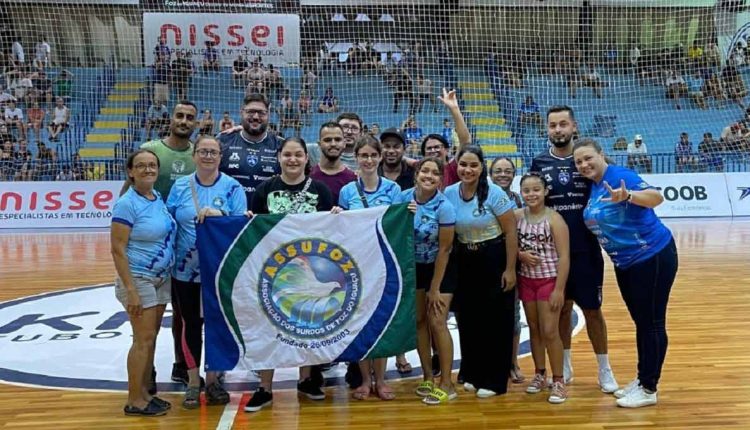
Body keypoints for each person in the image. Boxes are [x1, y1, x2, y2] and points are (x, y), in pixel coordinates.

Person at [572, 138, 678, 408]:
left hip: (651, 256)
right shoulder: (595, 185)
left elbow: (656, 197)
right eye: (579, 162)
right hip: (625, 263)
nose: (584, 164)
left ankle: (649, 388)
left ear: (601, 154)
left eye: (588, 158)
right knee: (642, 323)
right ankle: (643, 379)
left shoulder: (621, 176)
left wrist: (628, 196)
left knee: (652, 323)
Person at [244, 137, 339, 413]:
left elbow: (329, 234)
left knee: (306, 321)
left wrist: (336, 215)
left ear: (306, 159)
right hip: (271, 270)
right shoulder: (265, 190)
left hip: (307, 269)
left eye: (298, 155)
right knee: (267, 326)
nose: (293, 159)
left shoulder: (321, 190)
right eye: (287, 155)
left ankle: (306, 379)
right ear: (279, 157)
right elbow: (255, 232)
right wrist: (249, 219)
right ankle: (264, 387)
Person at [530, 106, 619, 394]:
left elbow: (612, 180)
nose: (558, 130)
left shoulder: (586, 160)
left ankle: (604, 370)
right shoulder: (539, 162)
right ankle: (565, 365)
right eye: (553, 125)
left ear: (574, 127)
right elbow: (533, 205)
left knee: (593, 311)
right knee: (562, 310)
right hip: (552, 255)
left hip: (586, 251)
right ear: (547, 129)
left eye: (563, 124)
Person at [166, 136, 247, 409]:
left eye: (213, 152)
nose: (208, 156)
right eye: (203, 151)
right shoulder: (179, 186)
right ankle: (192, 382)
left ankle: (213, 380)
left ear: (221, 156)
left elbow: (240, 227)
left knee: (217, 324)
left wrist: (219, 215)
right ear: (194, 155)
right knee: (189, 324)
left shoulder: (233, 187)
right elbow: (169, 223)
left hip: (219, 270)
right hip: (184, 270)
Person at [443, 145, 518, 398]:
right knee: (469, 319)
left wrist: (509, 268)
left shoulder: (494, 193)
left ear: (481, 167)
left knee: (496, 320)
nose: (468, 169)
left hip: (494, 258)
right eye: (463, 164)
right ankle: (473, 373)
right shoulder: (450, 192)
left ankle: (495, 380)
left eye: (474, 165)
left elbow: (510, 232)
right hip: (465, 258)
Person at [138, 100, 200, 385]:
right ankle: (145, 370)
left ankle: (180, 364)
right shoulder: (152, 150)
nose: (184, 121)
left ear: (196, 123)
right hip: (153, 247)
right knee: (150, 315)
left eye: (190, 117)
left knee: (183, 314)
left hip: (184, 247)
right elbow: (130, 192)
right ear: (171, 119)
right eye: (180, 116)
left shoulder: (198, 154)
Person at [111, 149, 176, 416]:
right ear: (131, 171)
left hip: (160, 278)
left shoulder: (155, 196)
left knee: (150, 338)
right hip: (139, 279)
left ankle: (145, 393)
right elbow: (117, 248)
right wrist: (131, 290)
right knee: (141, 340)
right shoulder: (126, 203)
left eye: (152, 165)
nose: (148, 169)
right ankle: (133, 400)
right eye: (141, 166)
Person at [338, 135, 402, 401]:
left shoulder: (393, 189)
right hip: (356, 265)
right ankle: (365, 381)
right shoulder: (347, 192)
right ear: (356, 158)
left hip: (384, 264)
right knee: (360, 323)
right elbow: (340, 229)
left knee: (381, 324)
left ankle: (382, 380)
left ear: (379, 158)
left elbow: (397, 225)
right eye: (363, 155)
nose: (368, 160)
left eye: (372, 155)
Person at [397, 157, 458, 405]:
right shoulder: (402, 198)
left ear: (441, 179)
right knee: (420, 321)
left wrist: (435, 287)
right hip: (415, 269)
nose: (429, 176)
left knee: (437, 321)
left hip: (441, 268)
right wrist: (402, 215)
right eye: (425, 171)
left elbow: (445, 250)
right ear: (417, 174)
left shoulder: (444, 206)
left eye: (435, 173)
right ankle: (427, 377)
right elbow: (391, 227)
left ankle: (447, 383)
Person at [514, 173, 570, 404]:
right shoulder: (517, 217)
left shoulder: (555, 220)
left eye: (536, 189)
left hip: (549, 280)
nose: (531, 194)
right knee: (535, 329)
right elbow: (507, 243)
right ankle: (539, 374)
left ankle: (559, 380)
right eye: (526, 190)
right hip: (527, 280)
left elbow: (565, 257)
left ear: (545, 191)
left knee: (550, 331)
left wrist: (559, 289)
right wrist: (519, 254)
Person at [489, 156, 524, 383]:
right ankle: (490, 362)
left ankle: (513, 363)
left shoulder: (519, 200)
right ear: (490, 175)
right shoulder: (485, 197)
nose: (503, 174)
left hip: (513, 263)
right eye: (498, 170)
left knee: (513, 315)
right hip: (487, 262)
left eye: (507, 171)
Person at [218, 94, 281, 204]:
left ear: (268, 115)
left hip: (265, 217)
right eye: (251, 112)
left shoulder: (281, 145)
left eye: (261, 113)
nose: (256, 117)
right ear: (241, 112)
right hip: (229, 214)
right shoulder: (222, 141)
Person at [310, 122, 356, 204]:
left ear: (344, 143)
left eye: (338, 140)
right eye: (327, 140)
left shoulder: (353, 179)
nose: (333, 144)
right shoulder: (308, 177)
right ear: (319, 144)